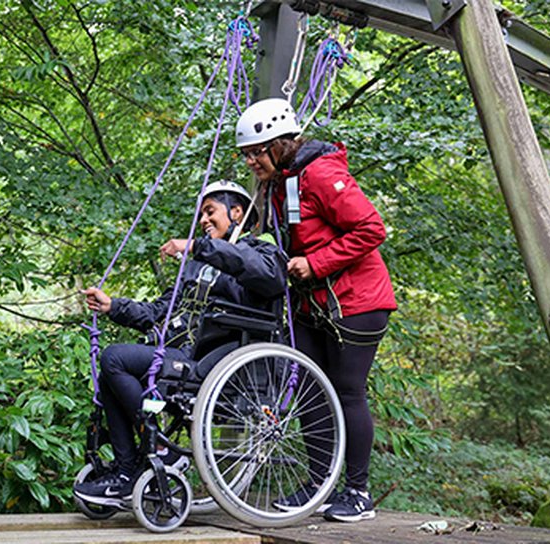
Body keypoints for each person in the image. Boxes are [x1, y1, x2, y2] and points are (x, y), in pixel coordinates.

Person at [73, 180, 287, 506]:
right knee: (111, 371)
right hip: (182, 355)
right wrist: (112, 306)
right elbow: (159, 311)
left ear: (237, 212)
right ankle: (128, 470)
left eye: (210, 211)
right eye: (202, 213)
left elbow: (265, 276)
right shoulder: (196, 265)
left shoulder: (260, 251)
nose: (203, 220)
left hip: (218, 361)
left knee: (115, 358)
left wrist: (199, 247)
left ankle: (159, 450)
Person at [235, 98, 397, 522]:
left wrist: (316, 263)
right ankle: (321, 482)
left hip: (357, 301)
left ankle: (357, 492)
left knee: (347, 390)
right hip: (315, 302)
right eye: (246, 154)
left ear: (282, 144)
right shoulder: (278, 184)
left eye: (257, 151)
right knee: (309, 386)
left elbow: (371, 228)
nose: (251, 161)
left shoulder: (321, 173)